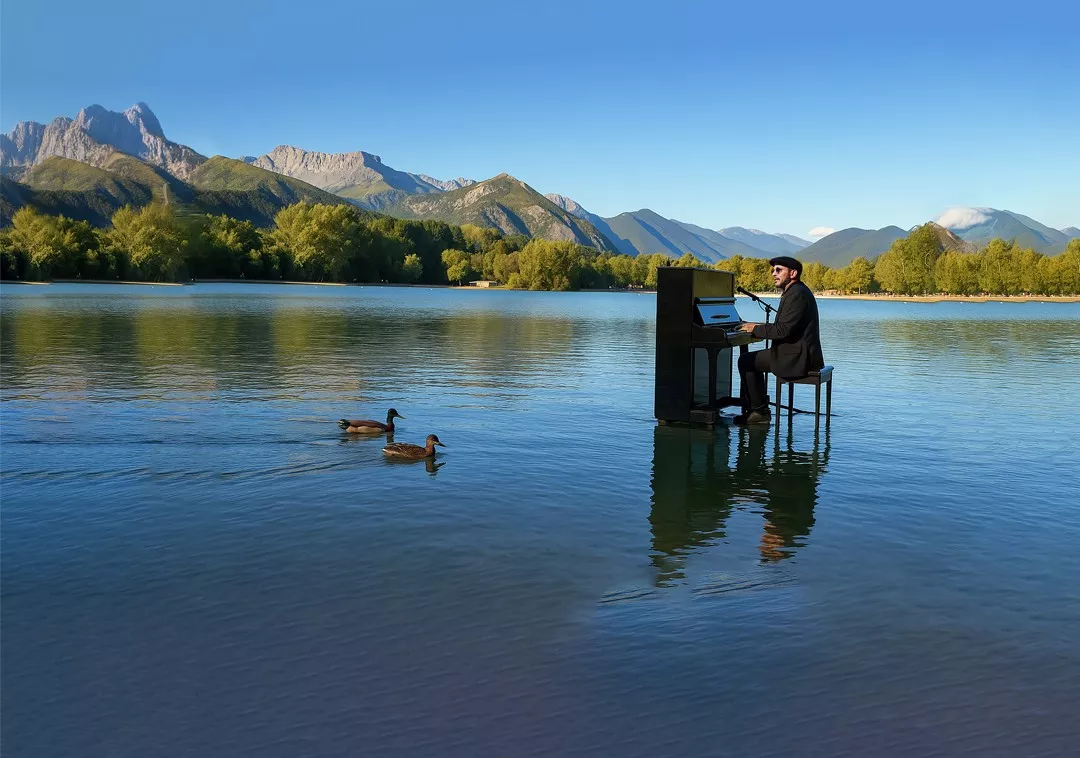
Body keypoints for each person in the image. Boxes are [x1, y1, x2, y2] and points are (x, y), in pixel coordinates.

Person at [735, 256, 824, 424]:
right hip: (799, 352)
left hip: (798, 357)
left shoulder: (796, 294)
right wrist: (754, 327)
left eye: (778, 270)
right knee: (750, 359)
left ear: (793, 273)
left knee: (746, 361)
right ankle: (757, 406)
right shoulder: (797, 291)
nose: (773, 274)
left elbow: (783, 330)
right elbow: (784, 327)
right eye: (773, 270)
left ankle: (759, 412)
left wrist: (754, 328)